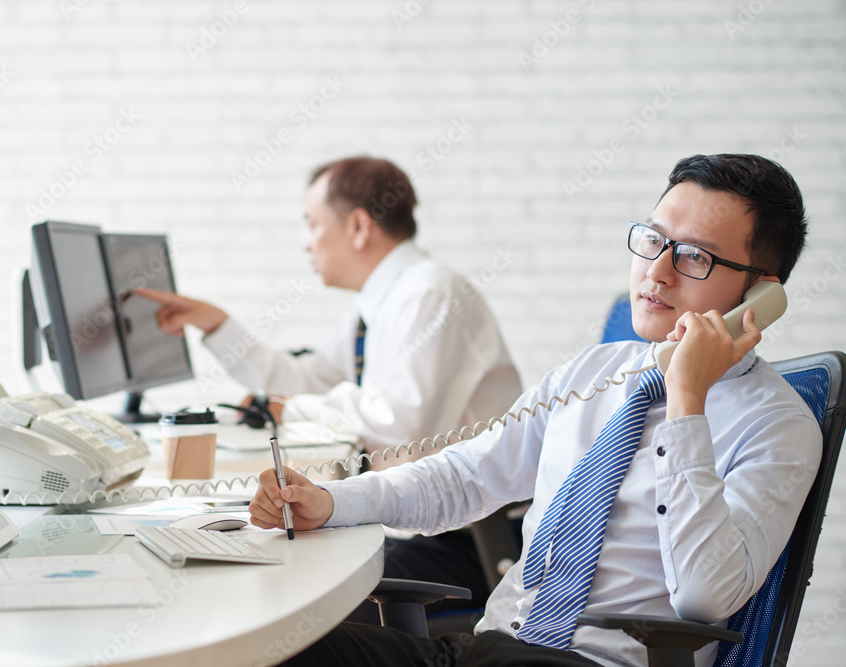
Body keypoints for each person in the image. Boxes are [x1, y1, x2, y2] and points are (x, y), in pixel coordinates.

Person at [248, 153, 822, 667]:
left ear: (759, 295)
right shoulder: (595, 373)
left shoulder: (779, 427)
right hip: (486, 648)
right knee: (272, 644)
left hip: (594, 663)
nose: (657, 270)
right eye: (653, 239)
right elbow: (466, 474)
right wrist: (329, 503)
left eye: (695, 256)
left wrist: (688, 402)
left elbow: (704, 594)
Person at [138, 156, 523, 618]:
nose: (306, 244)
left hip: (465, 541)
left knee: (294, 598)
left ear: (358, 226)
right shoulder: (382, 300)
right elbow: (307, 378)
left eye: (313, 225)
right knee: (277, 566)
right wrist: (216, 325)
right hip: (419, 520)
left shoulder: (430, 293)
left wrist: (291, 410)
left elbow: (402, 424)